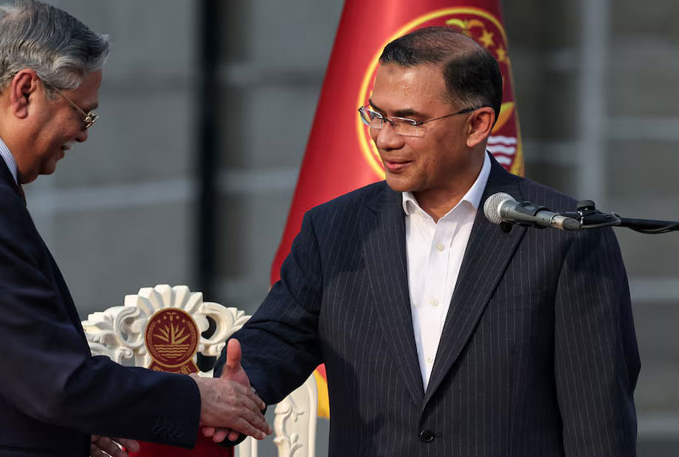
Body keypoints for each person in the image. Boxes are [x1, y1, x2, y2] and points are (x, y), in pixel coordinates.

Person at [0, 1, 270, 456]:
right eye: (82, 113)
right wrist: (197, 398)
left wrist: (73, 431)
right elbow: (52, 379)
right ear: (25, 90)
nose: (83, 133)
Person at [210, 26, 640, 456]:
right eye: (376, 115)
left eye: (409, 121)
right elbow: (281, 335)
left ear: (477, 125)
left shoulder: (563, 237)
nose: (384, 138)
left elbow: (598, 423)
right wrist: (247, 379)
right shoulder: (333, 228)